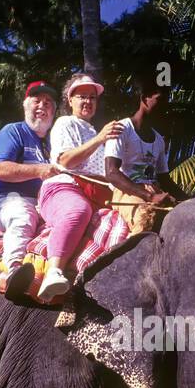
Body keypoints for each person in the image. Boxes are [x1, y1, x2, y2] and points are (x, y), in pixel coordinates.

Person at [35, 72, 128, 302]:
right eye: (82, 96)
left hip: (97, 195)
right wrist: (100, 139)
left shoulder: (97, 133)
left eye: (92, 97)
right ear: (70, 100)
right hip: (65, 187)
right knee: (77, 210)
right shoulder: (65, 123)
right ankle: (53, 271)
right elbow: (65, 161)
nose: (88, 101)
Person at [0, 79, 59, 300]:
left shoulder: (52, 144)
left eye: (48, 103)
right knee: (23, 215)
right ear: (25, 105)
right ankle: (13, 270)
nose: (42, 106)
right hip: (8, 200)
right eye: (37, 100)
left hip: (42, 205)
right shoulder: (14, 131)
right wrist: (39, 170)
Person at [103, 80, 182, 234]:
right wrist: (149, 196)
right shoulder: (122, 129)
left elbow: (164, 179)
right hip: (127, 192)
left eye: (167, 101)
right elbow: (111, 172)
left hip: (154, 192)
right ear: (145, 98)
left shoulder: (158, 139)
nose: (165, 106)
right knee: (146, 220)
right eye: (160, 100)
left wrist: (190, 200)